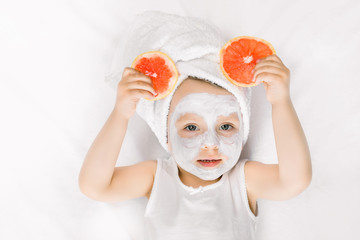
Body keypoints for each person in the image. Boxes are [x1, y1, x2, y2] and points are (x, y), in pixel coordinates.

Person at [78, 53, 312, 239]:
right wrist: (121, 113)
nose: (210, 144)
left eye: (226, 126)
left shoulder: (241, 181)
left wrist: (281, 102)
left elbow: (294, 181)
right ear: (166, 138)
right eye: (191, 128)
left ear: (242, 136)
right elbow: (94, 186)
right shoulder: (157, 178)